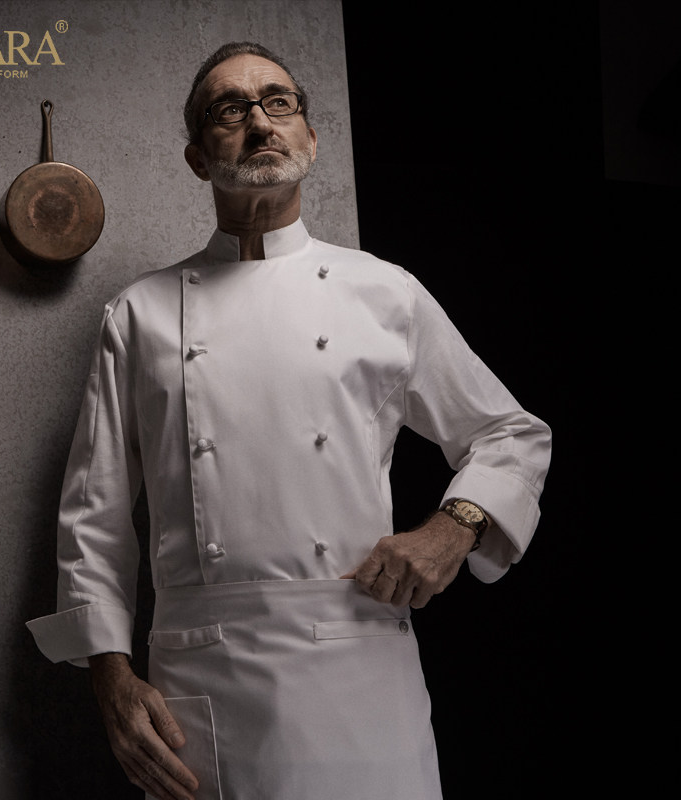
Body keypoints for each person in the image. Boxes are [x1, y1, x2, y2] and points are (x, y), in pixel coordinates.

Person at [27, 41, 551, 800]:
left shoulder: (386, 293)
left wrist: (455, 525)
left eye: (278, 102)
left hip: (359, 663)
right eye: (229, 110)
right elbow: (95, 514)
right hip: (202, 676)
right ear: (197, 158)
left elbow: (510, 433)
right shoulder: (138, 313)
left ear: (309, 135)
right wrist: (110, 678)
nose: (259, 122)